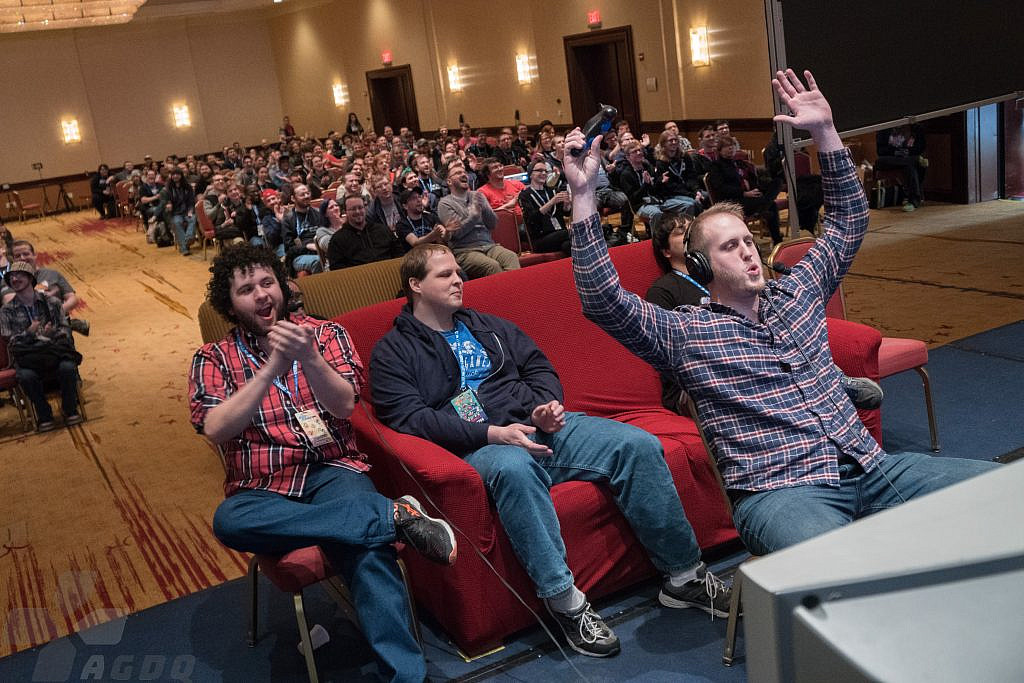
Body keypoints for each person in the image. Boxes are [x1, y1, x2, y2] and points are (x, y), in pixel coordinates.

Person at [565, 68, 998, 556]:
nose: (750, 252)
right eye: (732, 246)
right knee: (841, 568)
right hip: (785, 493)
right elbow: (602, 300)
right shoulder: (687, 333)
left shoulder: (797, 293)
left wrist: (825, 133)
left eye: (750, 241)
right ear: (702, 264)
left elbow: (849, 222)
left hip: (871, 468)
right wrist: (583, 196)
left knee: (1003, 493)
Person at [370, 243, 734, 658]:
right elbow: (407, 418)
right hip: (479, 446)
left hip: (541, 428)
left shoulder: (487, 325)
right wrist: (491, 433)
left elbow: (538, 366)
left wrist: (547, 405)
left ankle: (683, 576)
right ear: (415, 284)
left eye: (458, 271)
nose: (458, 280)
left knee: (637, 446)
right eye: (445, 275)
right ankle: (566, 603)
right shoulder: (393, 351)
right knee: (515, 470)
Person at [188, 245, 456, 682]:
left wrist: (308, 358)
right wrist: (270, 370)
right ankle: (391, 514)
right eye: (246, 289)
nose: (260, 295)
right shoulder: (213, 358)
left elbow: (346, 404)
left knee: (367, 551)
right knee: (228, 521)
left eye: (267, 282)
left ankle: (408, 677)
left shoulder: (326, 334)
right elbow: (215, 427)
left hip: (334, 469)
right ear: (229, 304)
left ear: (282, 285)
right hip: (262, 487)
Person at [646, 213, 883, 413]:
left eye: (690, 230)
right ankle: (827, 383)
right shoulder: (663, 290)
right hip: (698, 379)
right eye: (679, 233)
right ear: (666, 251)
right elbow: (673, 355)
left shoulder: (723, 277)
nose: (687, 235)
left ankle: (827, 380)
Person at [0, 262, 83, 431]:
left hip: (53, 352)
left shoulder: (51, 302)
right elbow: (10, 340)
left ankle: (70, 409)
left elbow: (65, 329)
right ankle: (44, 414)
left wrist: (51, 336)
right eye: (12, 277)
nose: (15, 279)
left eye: (19, 275)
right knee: (26, 377)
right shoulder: (6, 310)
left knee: (67, 367)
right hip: (27, 358)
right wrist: (31, 334)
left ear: (30, 278)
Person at [436, 160, 519, 278]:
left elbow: (493, 224)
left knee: (511, 257)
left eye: (464, 172)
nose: (464, 174)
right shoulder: (444, 204)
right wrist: (474, 216)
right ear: (449, 181)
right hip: (465, 251)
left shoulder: (478, 196)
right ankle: (505, 295)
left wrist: (485, 209)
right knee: (492, 266)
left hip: (489, 245)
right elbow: (456, 234)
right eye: (458, 173)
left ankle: (516, 293)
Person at [707, 136, 782, 244]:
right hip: (734, 200)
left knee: (777, 182)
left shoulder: (738, 163)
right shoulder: (716, 166)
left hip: (750, 194)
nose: (730, 149)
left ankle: (777, 240)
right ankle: (764, 207)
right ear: (720, 150)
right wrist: (744, 193)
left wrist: (755, 187)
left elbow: (752, 179)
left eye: (732, 146)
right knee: (771, 205)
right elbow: (721, 188)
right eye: (727, 147)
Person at [326, 194, 403, 270]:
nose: (357, 211)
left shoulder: (382, 230)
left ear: (365, 208)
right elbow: (337, 269)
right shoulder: (337, 240)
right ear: (345, 212)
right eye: (353, 209)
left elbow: (399, 253)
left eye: (360, 208)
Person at [518, 160, 571, 255]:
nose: (543, 173)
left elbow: (565, 213)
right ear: (530, 174)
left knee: (568, 245)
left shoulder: (553, 191)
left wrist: (567, 204)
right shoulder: (525, 195)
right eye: (539, 170)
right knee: (572, 232)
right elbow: (531, 219)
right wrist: (551, 202)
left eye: (545, 171)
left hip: (560, 234)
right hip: (541, 237)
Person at [875, 124, 927, 211]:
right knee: (880, 161)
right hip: (890, 159)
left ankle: (913, 201)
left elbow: (920, 148)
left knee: (909, 167)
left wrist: (907, 152)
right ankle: (915, 160)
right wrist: (896, 152)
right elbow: (880, 151)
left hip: (907, 158)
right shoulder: (884, 129)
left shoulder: (916, 129)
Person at [159, 168, 197, 256]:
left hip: (187, 211)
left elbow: (191, 201)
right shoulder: (167, 189)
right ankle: (184, 248)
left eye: (177, 174)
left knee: (193, 218)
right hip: (175, 213)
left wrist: (190, 211)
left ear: (181, 175)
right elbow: (164, 202)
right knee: (177, 222)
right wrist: (168, 205)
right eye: (173, 174)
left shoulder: (187, 187)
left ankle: (188, 239)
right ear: (171, 176)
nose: (175, 176)